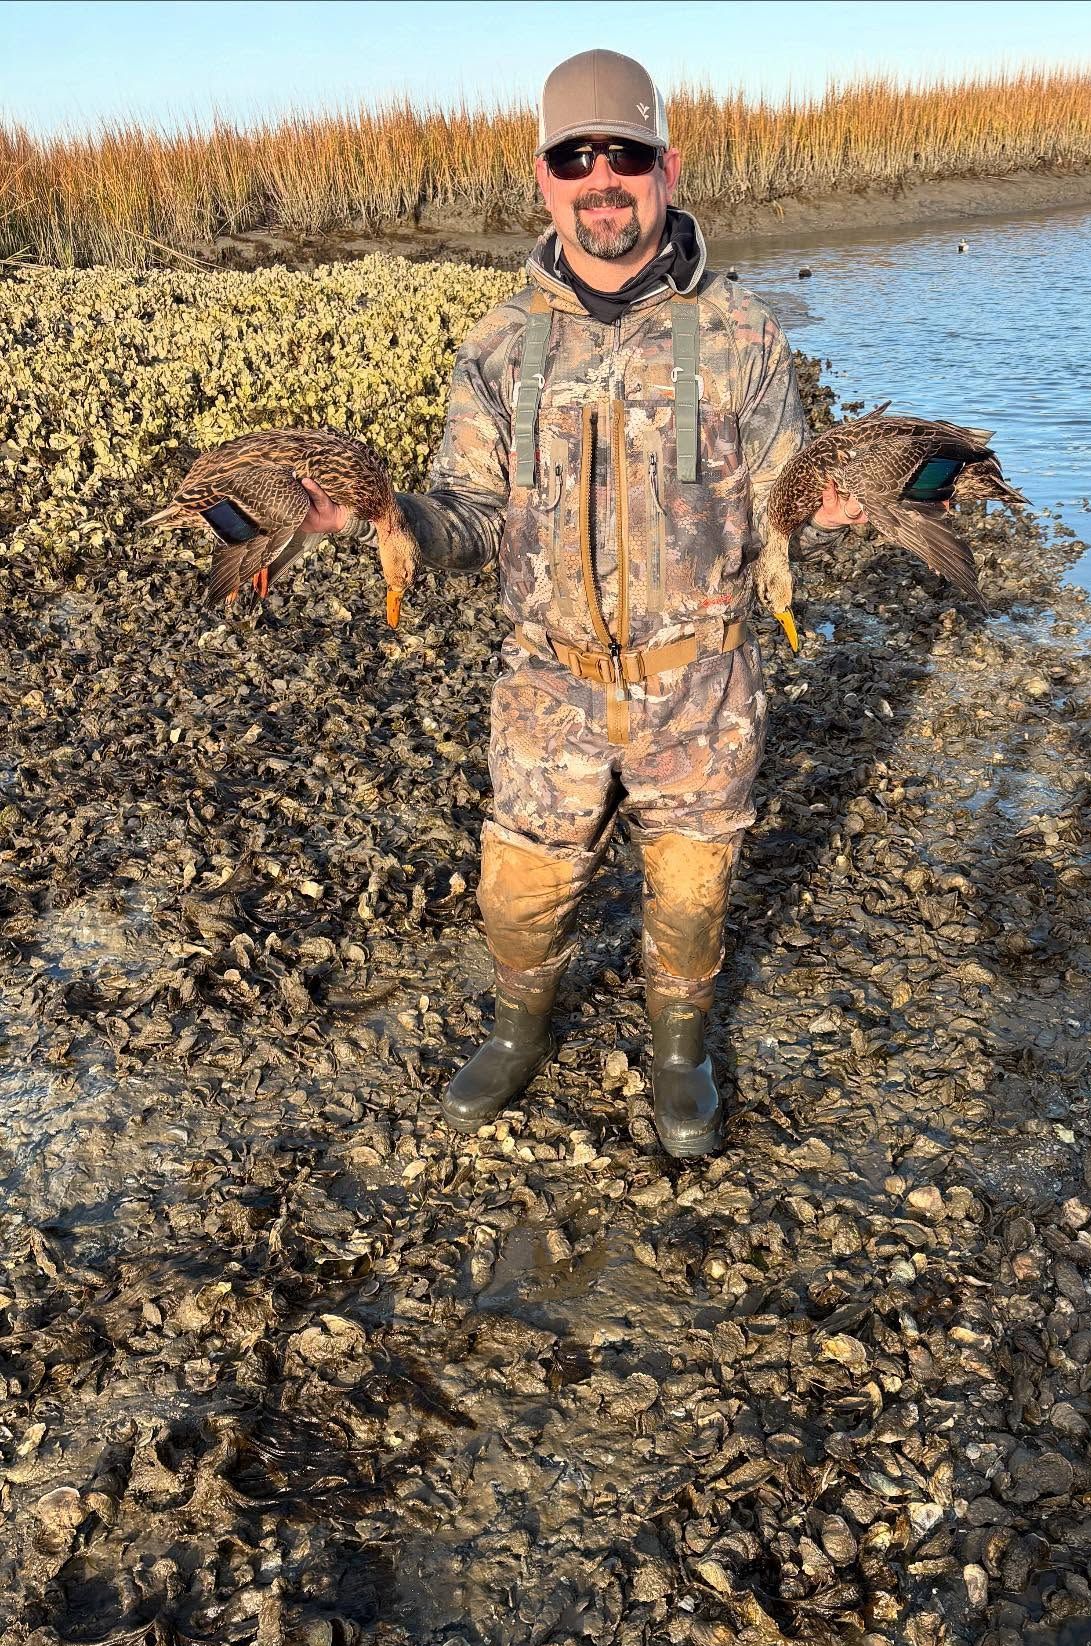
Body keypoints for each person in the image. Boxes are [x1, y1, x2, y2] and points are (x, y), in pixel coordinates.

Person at [300, 49, 864, 1157]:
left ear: (668, 167)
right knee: (517, 890)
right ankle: (519, 1028)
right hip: (547, 687)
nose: (602, 180)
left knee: (693, 889)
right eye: (576, 158)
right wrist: (385, 523)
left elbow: (780, 510)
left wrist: (835, 510)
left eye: (626, 156)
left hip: (700, 684)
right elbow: (465, 507)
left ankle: (680, 1049)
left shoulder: (745, 336)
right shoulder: (500, 345)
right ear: (544, 179)